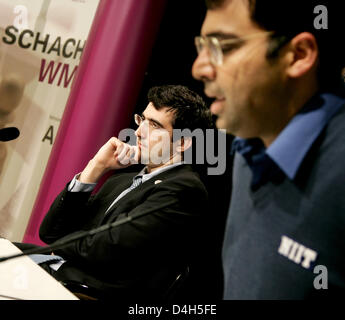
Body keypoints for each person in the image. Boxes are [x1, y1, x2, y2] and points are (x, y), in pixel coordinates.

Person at [192, 0, 345, 299]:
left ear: (298, 55)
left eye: (224, 46)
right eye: (202, 45)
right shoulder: (250, 150)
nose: (198, 67)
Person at [19, 85, 213, 300]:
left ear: (183, 143)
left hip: (82, 289)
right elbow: (50, 232)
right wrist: (96, 167)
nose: (139, 132)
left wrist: (62, 247)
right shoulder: (121, 180)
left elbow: (110, 248)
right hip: (52, 272)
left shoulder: (184, 188)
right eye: (142, 120)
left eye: (155, 125)